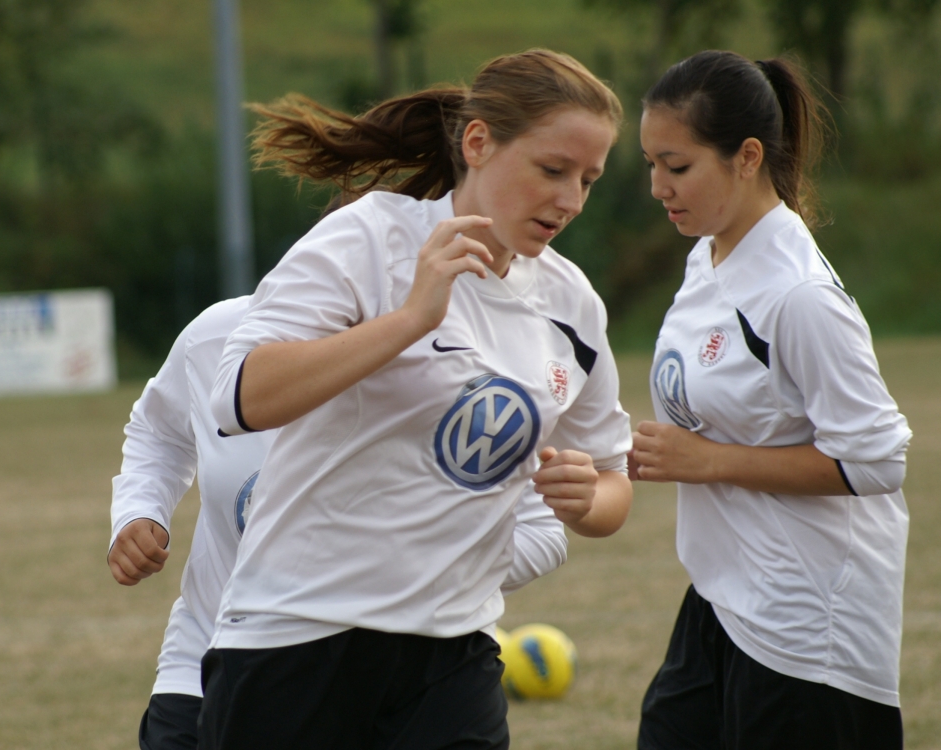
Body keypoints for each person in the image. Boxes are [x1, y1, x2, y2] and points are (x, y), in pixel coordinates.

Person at [202, 49, 634, 749]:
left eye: (588, 179)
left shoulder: (572, 305)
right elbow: (239, 396)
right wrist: (409, 319)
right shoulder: (370, 237)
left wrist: (589, 500)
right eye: (552, 170)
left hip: (454, 651)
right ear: (478, 143)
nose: (572, 201)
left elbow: (613, 481)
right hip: (299, 634)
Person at [108, 294, 573, 750]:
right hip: (213, 654)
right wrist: (140, 510)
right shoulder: (218, 336)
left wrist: (424, 570)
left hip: (398, 676)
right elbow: (159, 432)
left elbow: (542, 530)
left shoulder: (465, 361)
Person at [633, 50, 911, 750]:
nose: (659, 187)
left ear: (747, 157)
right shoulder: (708, 254)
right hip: (722, 598)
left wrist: (708, 461)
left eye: (678, 165)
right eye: (651, 165)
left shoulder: (798, 296)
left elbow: (876, 462)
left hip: (805, 629)